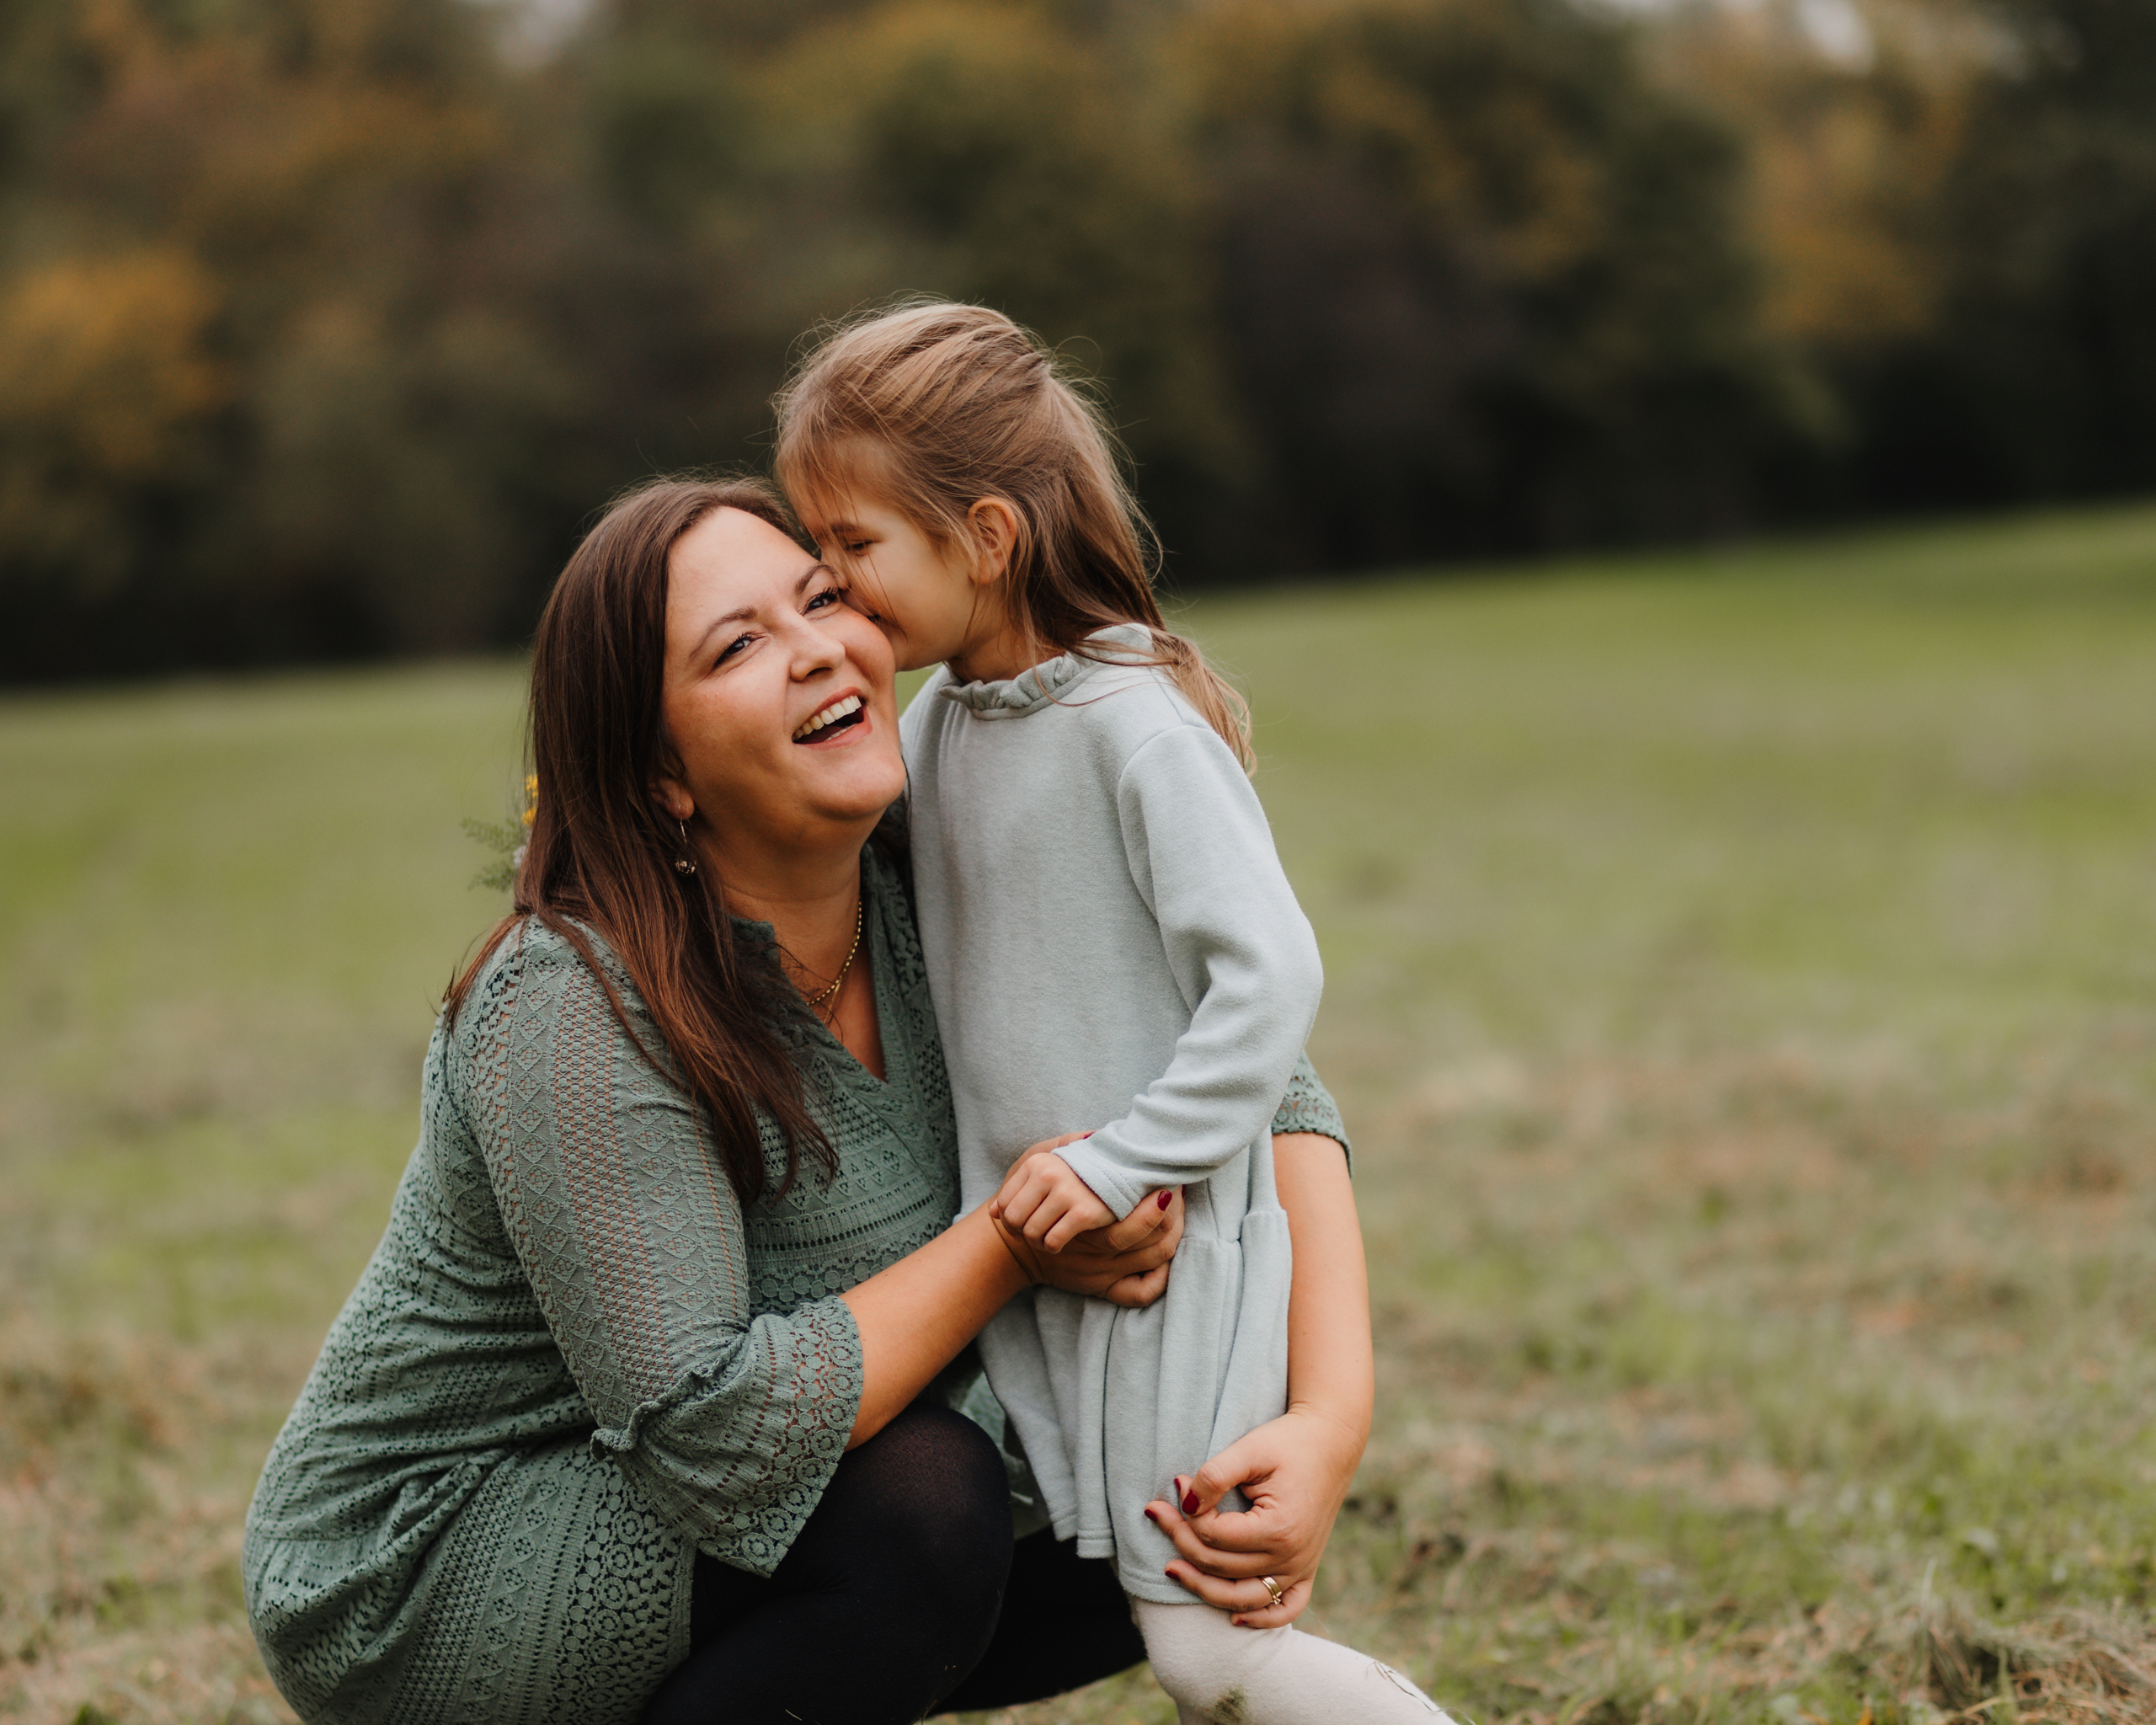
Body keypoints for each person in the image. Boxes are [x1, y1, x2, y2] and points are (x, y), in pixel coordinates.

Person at [241, 475, 1369, 1725]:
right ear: (660, 774)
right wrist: (1015, 1241)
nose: (817, 649)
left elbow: (1260, 1071)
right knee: (927, 1509)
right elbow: (712, 1432)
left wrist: (1326, 1421)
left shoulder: (938, 862)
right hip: (435, 1552)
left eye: (823, 598)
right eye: (737, 646)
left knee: (1158, 1494)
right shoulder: (569, 999)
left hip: (692, 1505)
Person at [775, 301, 1449, 1724]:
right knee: (1091, 1592)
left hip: (1166, 1258)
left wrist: (1124, 1162)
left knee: (1210, 1647)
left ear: (986, 536)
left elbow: (1271, 982)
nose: (827, 584)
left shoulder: (1135, 728)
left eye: (853, 544)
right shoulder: (938, 730)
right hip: (1038, 1270)